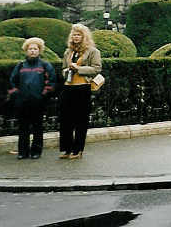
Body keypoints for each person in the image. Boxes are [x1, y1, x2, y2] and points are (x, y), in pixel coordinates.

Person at [8, 37, 56, 159]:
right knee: (23, 127)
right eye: (30, 49)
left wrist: (43, 96)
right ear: (26, 50)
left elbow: (51, 82)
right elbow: (12, 81)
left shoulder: (45, 65)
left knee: (37, 127)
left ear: (39, 50)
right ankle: (22, 151)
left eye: (35, 49)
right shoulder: (20, 65)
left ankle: (36, 151)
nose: (33, 51)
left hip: (38, 102)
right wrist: (17, 96)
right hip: (22, 102)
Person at [59, 23, 102, 159]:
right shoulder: (68, 51)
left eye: (78, 35)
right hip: (68, 86)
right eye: (74, 35)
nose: (75, 37)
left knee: (80, 119)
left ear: (84, 37)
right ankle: (66, 148)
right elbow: (63, 68)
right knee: (66, 119)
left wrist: (79, 69)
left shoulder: (93, 51)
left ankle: (77, 150)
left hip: (82, 87)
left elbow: (96, 68)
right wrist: (67, 71)